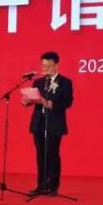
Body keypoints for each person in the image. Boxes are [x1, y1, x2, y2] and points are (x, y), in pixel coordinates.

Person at [22, 51, 73, 196]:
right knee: (40, 155)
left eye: (48, 66)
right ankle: (41, 186)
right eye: (43, 66)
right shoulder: (38, 82)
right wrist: (27, 101)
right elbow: (35, 99)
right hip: (39, 123)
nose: (45, 69)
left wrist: (51, 104)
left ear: (56, 65)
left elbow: (68, 101)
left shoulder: (65, 82)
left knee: (52, 154)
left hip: (54, 124)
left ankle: (53, 187)